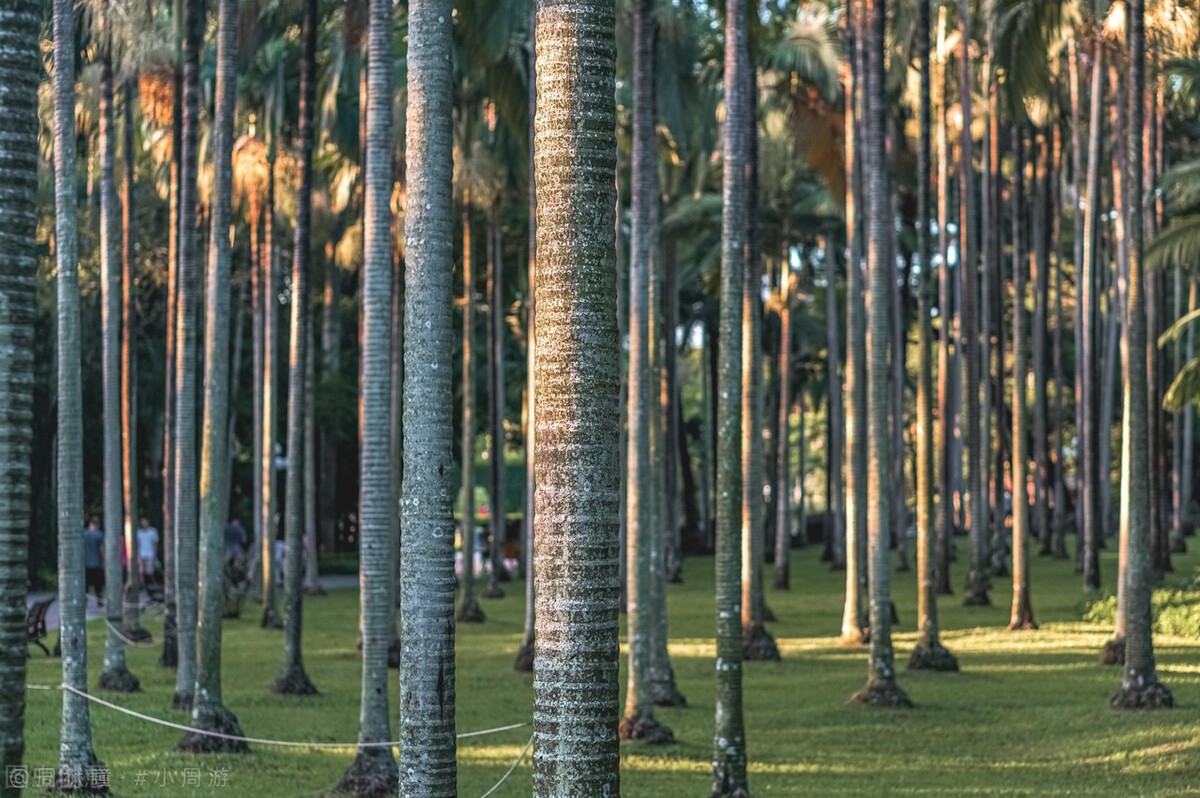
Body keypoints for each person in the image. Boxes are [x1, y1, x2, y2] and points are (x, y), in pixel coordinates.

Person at [83, 517, 105, 604]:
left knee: (86, 584)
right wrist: (104, 560)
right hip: (96, 563)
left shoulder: (84, 534)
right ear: (97, 524)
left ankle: (85, 600)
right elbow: (101, 549)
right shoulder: (99, 534)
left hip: (86, 563)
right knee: (98, 584)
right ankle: (99, 600)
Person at [136, 517, 159, 582]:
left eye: (145, 521)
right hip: (141, 554)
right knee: (141, 572)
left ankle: (152, 584)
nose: (144, 523)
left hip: (150, 554)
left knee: (150, 572)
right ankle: (143, 586)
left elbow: (155, 544)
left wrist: (155, 554)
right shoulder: (139, 532)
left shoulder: (153, 531)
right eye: (143, 522)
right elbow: (137, 544)